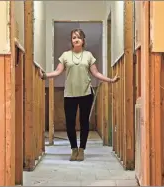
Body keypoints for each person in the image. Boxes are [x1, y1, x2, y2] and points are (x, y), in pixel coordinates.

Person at [39, 28, 119, 161]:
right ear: (71, 40)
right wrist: (45, 75)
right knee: (70, 123)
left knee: (84, 123)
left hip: (86, 94)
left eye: (78, 37)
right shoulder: (65, 55)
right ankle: (73, 149)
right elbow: (58, 71)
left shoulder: (88, 55)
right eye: (73, 37)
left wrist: (111, 80)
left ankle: (82, 149)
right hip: (69, 94)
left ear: (83, 40)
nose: (76, 39)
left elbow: (96, 73)